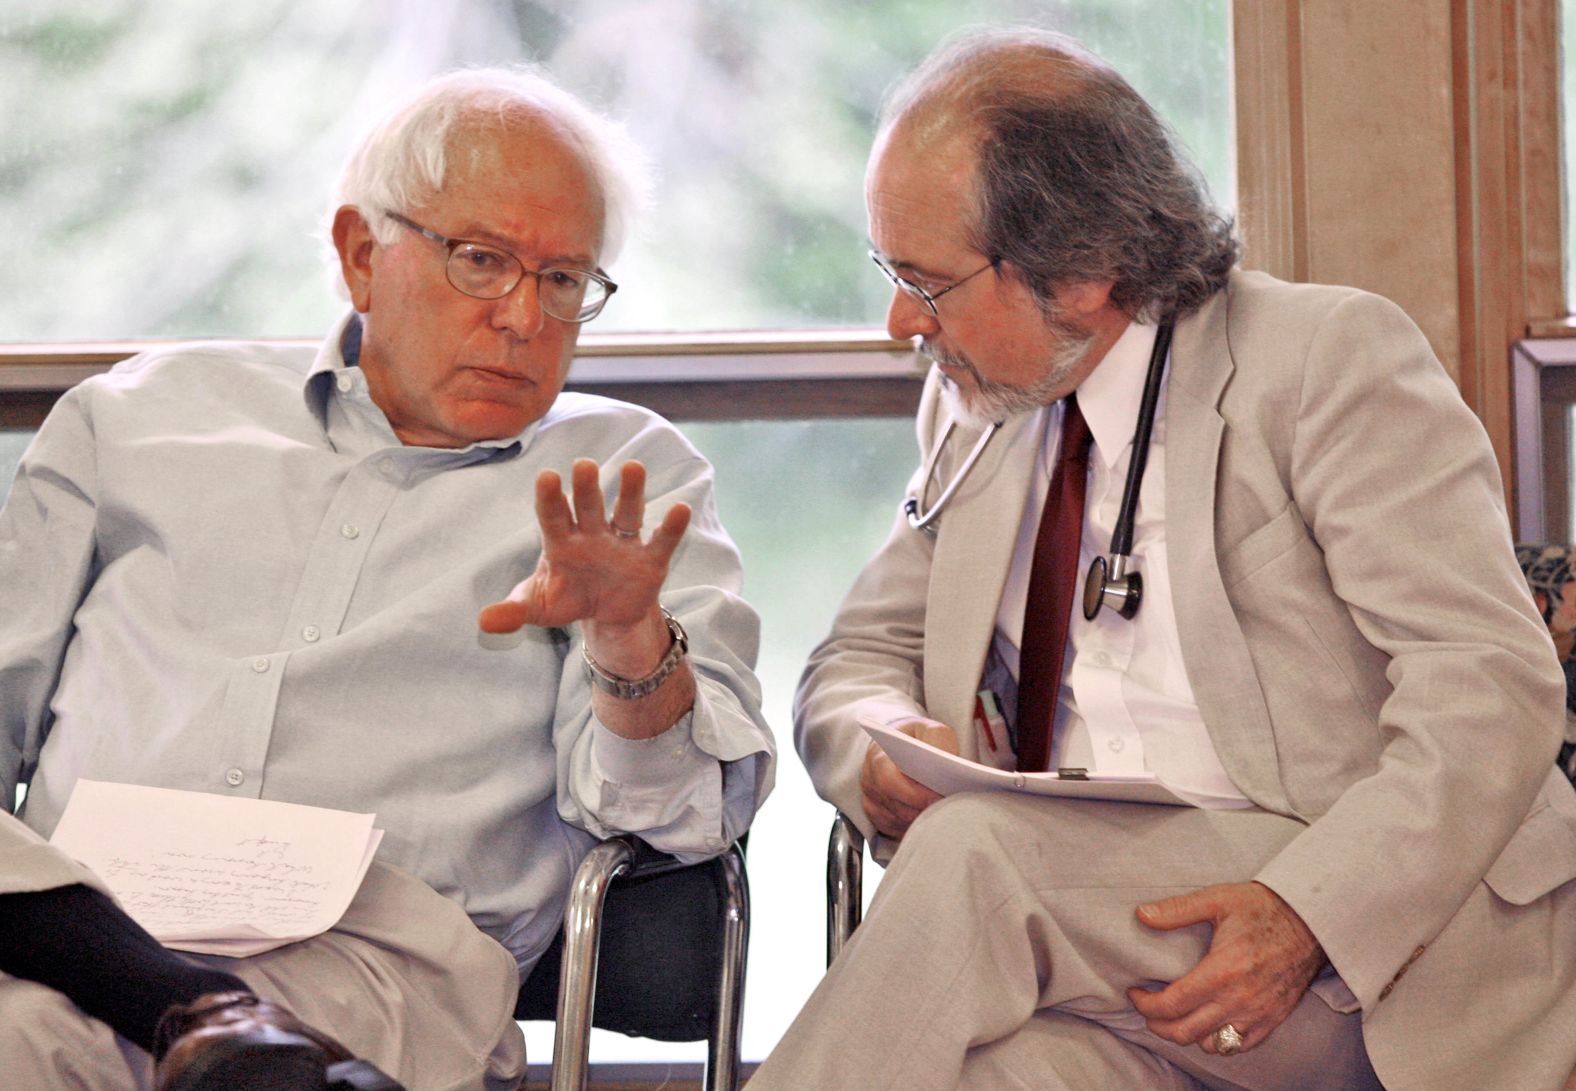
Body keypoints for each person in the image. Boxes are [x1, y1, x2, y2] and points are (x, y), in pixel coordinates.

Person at [751, 27, 1576, 1091]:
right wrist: (876, 742)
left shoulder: (1324, 362)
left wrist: (1304, 912)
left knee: (975, 856)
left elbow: (1489, 684)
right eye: (888, 269)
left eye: (927, 280)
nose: (898, 321)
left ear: (1085, 270)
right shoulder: (980, 406)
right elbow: (856, 655)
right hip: (1129, 969)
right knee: (995, 1071)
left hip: (1371, 956)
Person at [0, 66, 774, 1089]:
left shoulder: (623, 478)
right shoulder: (138, 416)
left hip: (362, 962)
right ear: (362, 255)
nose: (524, 318)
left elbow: (675, 820)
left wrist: (630, 640)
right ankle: (178, 1000)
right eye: (483, 260)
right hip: (69, 920)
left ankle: (199, 1015)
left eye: (562, 280)